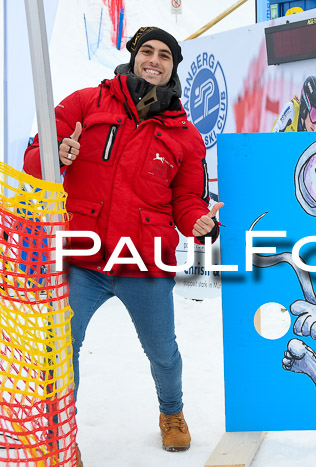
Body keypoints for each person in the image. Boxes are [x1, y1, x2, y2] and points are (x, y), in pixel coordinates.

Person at [24, 26, 221, 456]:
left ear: (173, 67)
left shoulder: (186, 136)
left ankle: (172, 412)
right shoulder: (85, 103)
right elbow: (35, 151)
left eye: (164, 55)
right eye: (147, 51)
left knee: (163, 352)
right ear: (134, 56)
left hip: (143, 261)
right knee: (61, 349)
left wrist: (199, 223)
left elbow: (186, 199)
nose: (154, 59)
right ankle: (59, 428)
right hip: (82, 258)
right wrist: (56, 151)